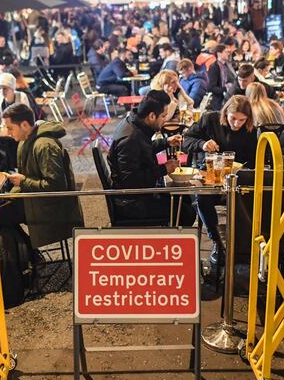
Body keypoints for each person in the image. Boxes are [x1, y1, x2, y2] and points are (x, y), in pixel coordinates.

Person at [183, 95, 258, 263]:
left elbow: (254, 159)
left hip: (239, 177)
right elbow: (186, 141)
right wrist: (201, 144)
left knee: (252, 198)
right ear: (226, 114)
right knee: (202, 198)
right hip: (210, 174)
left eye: (241, 120)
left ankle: (243, 244)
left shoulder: (251, 130)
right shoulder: (210, 119)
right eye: (233, 119)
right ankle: (216, 240)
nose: (237, 124)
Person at [0, 103, 84, 249]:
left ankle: (26, 256)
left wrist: (23, 182)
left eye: (10, 128)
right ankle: (25, 256)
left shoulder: (44, 146)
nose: (8, 132)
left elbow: (56, 187)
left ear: (25, 125)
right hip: (35, 199)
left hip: (51, 209)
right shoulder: (27, 140)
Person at [107, 90, 196, 226]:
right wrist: (164, 169)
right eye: (163, 116)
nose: (165, 120)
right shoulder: (130, 139)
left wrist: (166, 142)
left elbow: (142, 149)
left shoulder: (134, 123)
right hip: (131, 204)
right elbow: (130, 182)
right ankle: (168, 245)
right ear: (152, 116)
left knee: (184, 199)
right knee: (186, 211)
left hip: (138, 196)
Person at [206, 44, 236, 111]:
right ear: (219, 53)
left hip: (230, 98)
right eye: (225, 52)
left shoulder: (228, 65)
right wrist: (225, 88)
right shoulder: (214, 67)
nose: (228, 54)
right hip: (219, 101)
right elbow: (211, 88)